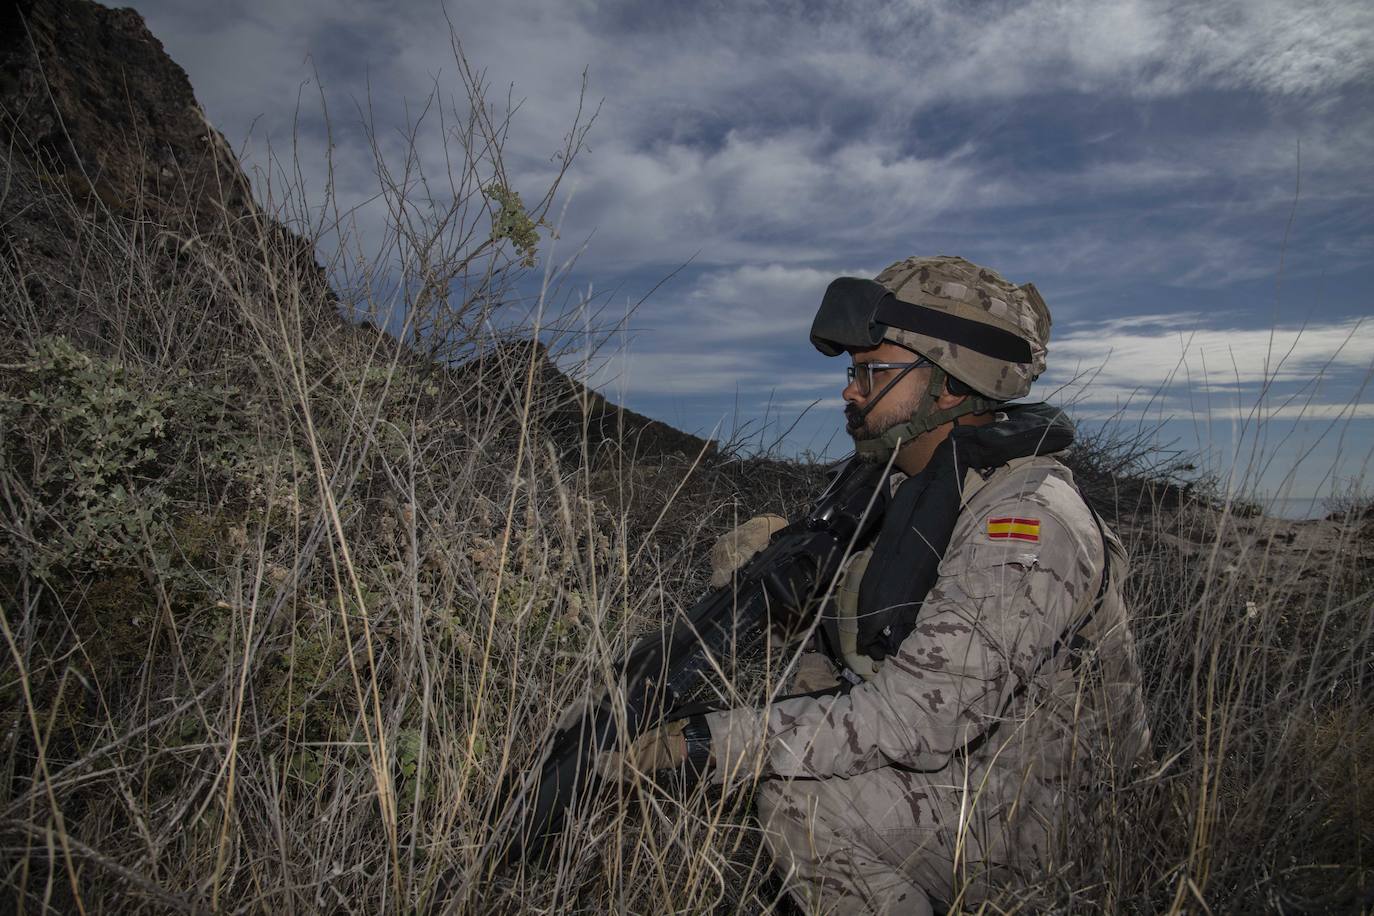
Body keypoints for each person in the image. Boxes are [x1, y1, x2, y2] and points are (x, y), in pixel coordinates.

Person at [608, 255, 1152, 914]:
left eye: (874, 372)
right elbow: (856, 658)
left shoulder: (1025, 519)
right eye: (852, 372)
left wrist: (712, 743)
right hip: (971, 779)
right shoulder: (907, 485)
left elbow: (918, 717)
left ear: (950, 387)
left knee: (803, 800)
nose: (851, 390)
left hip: (1050, 830)